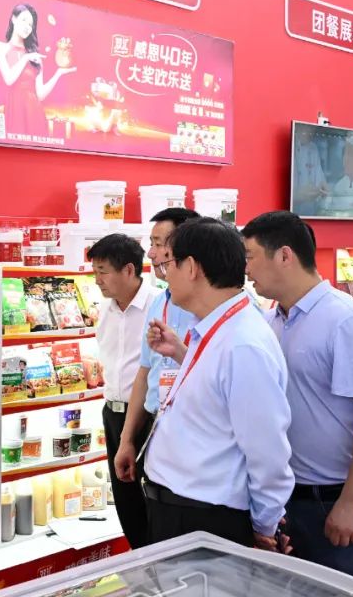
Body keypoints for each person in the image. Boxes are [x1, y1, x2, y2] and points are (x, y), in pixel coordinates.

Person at [242, 211, 353, 588]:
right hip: (287, 500)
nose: (246, 269)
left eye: (250, 256)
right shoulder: (271, 321)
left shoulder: (345, 320)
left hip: (335, 498)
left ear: (285, 255)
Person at [143, 218, 293, 549]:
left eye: (170, 262)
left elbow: (267, 450)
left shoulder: (243, 343)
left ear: (191, 267)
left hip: (204, 517)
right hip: (184, 508)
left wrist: (265, 525)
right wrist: (180, 353)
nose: (165, 273)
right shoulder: (217, 328)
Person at [113, 207, 200, 522]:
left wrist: (181, 352)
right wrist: (126, 440)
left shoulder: (214, 307)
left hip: (194, 432)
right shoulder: (160, 302)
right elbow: (145, 372)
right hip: (155, 425)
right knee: (149, 521)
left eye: (159, 243)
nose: (151, 253)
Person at [86, 233, 161, 549]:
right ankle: (139, 559)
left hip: (147, 414)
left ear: (129, 270)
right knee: (125, 500)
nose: (97, 280)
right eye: (95, 272)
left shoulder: (158, 304)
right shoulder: (105, 310)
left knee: (152, 500)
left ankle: (157, 562)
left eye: (103, 271)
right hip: (113, 413)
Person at [0, 4, 75, 136]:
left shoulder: (35, 56)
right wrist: (25, 58)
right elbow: (9, 79)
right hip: (14, 110)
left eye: (30, 24)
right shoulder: (0, 47)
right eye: (24, 20)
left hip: (34, 113)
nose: (27, 26)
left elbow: (40, 95)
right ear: (14, 19)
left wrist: (57, 74)